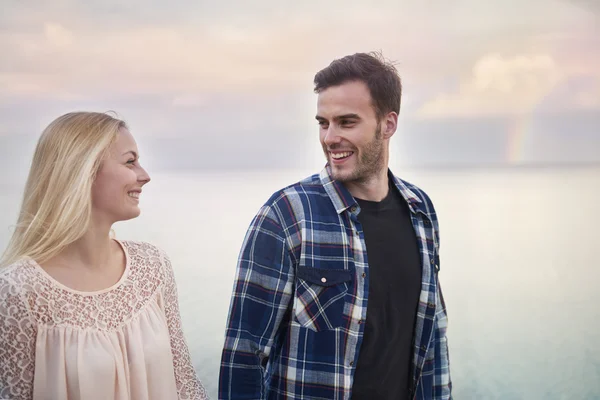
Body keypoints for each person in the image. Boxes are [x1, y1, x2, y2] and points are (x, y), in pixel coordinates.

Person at [219, 52, 452, 399]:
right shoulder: (286, 216)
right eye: (323, 123)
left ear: (388, 124)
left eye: (346, 122)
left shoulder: (421, 212)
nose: (329, 138)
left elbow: (432, 340)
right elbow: (245, 354)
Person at [0, 112, 209, 400]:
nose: (145, 176)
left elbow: (185, 385)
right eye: (129, 161)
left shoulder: (153, 266)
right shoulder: (18, 291)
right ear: (82, 171)